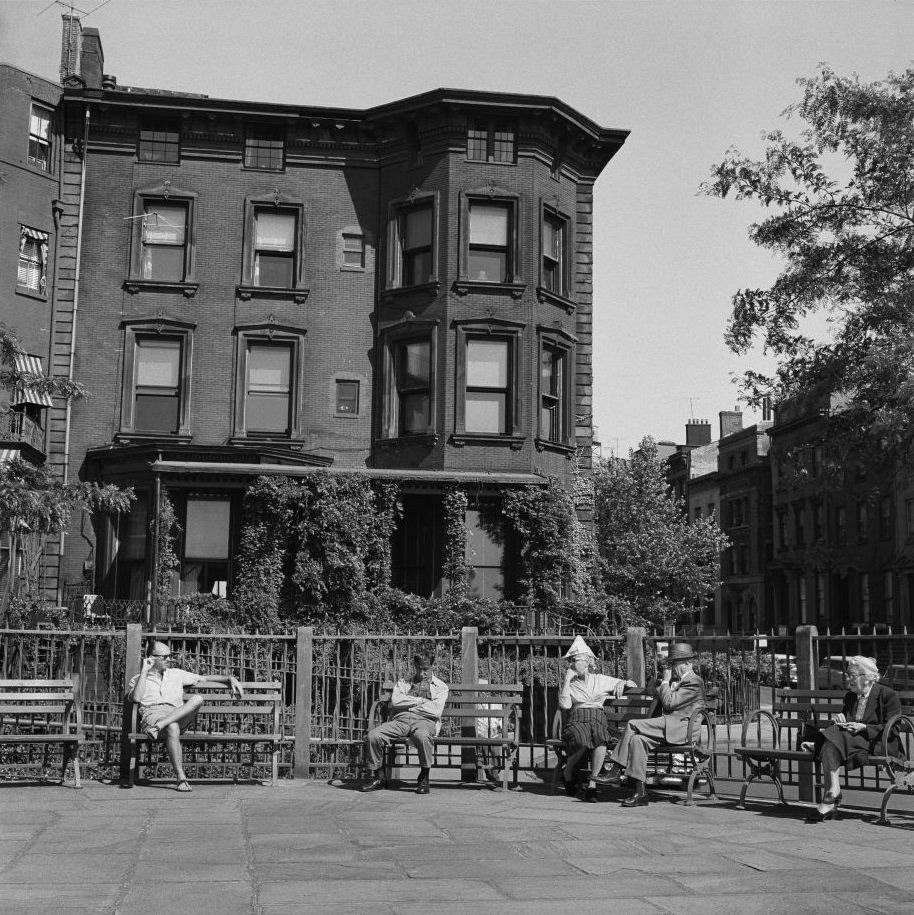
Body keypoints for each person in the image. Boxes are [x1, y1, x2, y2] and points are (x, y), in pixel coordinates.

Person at [597, 641, 706, 807]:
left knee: (633, 724)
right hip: (669, 727)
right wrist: (628, 683)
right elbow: (653, 692)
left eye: (674, 663)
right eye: (671, 663)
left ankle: (616, 769)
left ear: (687, 663)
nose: (672, 667)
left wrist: (665, 682)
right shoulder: (678, 681)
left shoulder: (694, 682)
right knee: (637, 740)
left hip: (682, 729)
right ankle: (640, 793)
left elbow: (670, 703)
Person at [128, 640, 244, 792]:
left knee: (198, 699)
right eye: (164, 657)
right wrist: (144, 671)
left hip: (175, 714)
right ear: (152, 658)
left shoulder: (177, 674)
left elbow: (205, 678)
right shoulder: (138, 679)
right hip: (152, 715)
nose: (169, 659)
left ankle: (161, 726)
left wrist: (230, 678)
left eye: (170, 656)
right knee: (173, 726)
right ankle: (181, 778)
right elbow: (136, 698)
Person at [801, 655, 901, 821]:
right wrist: (841, 719)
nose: (848, 679)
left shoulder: (888, 695)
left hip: (877, 742)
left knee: (831, 739)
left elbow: (895, 729)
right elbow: (848, 720)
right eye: (848, 674)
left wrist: (864, 728)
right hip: (851, 740)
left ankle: (819, 749)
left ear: (867, 677)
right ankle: (833, 791)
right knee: (833, 735)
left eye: (852, 675)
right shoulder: (850, 697)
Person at [558, 635, 638, 803]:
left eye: (576, 660)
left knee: (600, 739)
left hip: (597, 718)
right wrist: (566, 679)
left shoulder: (600, 680)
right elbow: (565, 705)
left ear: (587, 663)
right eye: (571, 660)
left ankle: (592, 784)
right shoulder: (570, 684)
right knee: (583, 738)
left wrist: (622, 683)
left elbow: (631, 684)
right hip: (577, 720)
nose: (573, 663)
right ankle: (568, 771)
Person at [360, 652, 448, 795]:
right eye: (419, 668)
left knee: (423, 736)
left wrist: (407, 703)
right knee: (373, 736)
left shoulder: (441, 687)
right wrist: (420, 701)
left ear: (432, 667)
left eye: (426, 669)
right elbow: (395, 702)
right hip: (400, 720)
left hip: (424, 721)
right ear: (414, 666)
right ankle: (379, 777)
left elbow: (435, 711)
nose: (422, 672)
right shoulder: (403, 682)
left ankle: (424, 777)